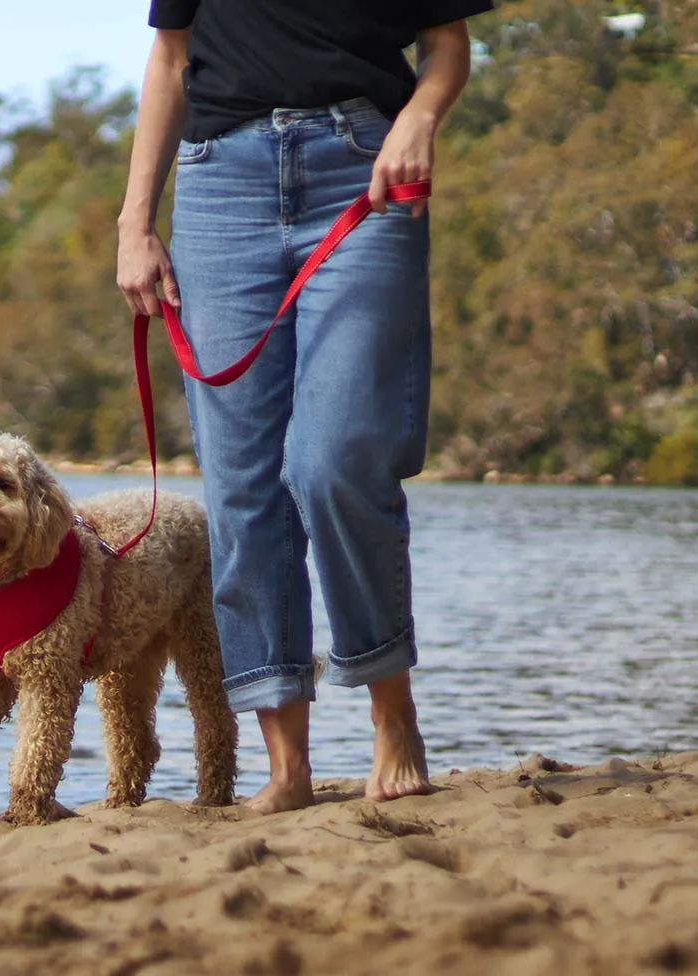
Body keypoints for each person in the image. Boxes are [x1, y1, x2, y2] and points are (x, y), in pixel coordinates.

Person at [117, 1, 492, 813]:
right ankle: (287, 767)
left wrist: (421, 116)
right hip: (221, 186)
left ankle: (392, 715)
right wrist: (135, 221)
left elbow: (448, 46)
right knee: (243, 490)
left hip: (361, 166)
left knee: (334, 460)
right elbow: (171, 59)